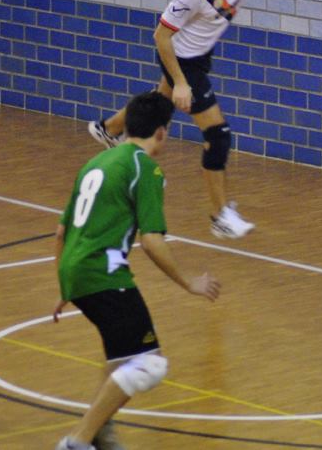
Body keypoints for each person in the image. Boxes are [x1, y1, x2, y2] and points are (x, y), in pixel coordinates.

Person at [88, 0, 308, 240]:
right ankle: (219, 216)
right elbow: (161, 37)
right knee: (218, 135)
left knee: (159, 107)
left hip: (200, 55)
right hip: (181, 59)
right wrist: (182, 81)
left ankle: (109, 128)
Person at [54, 91, 221, 450]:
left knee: (121, 357)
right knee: (149, 365)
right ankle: (76, 442)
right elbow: (152, 241)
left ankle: (98, 431)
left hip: (76, 270)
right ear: (162, 132)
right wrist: (188, 283)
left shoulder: (97, 162)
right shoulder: (144, 168)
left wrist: (65, 285)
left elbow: (61, 230)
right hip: (104, 274)